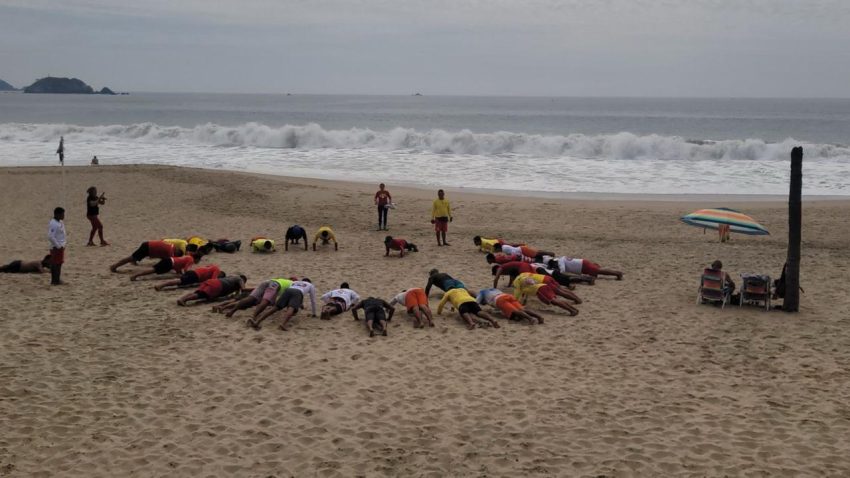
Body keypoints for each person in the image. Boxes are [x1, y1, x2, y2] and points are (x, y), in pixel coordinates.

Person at [247, 279, 318, 330]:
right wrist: (314, 313)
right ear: (309, 282)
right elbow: (313, 300)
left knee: (275, 308)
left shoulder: (295, 282)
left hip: (288, 291)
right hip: (298, 293)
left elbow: (290, 292)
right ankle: (282, 324)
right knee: (291, 308)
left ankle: (258, 321)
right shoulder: (310, 285)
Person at [217, 277, 292, 319]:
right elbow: (289, 297)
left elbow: (274, 295)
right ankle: (253, 316)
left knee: (250, 298)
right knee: (265, 301)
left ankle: (232, 311)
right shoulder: (294, 284)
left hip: (267, 281)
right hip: (274, 285)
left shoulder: (284, 280)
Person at [513, 274, 580, 316]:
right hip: (543, 286)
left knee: (555, 301)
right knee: (556, 299)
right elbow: (524, 293)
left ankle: (572, 310)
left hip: (540, 289)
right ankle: (574, 309)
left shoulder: (517, 283)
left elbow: (517, 296)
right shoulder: (522, 276)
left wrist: (517, 303)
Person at [476, 287, 544, 324]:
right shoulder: (493, 289)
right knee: (522, 309)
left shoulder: (481, 292)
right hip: (508, 296)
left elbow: (476, 302)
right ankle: (539, 317)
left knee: (514, 311)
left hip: (499, 300)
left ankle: (530, 319)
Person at [110, 240, 185, 272]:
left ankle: (134, 261)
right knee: (131, 258)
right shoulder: (171, 251)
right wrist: (178, 270)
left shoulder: (172, 246)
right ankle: (114, 266)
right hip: (148, 248)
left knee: (135, 257)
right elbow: (172, 262)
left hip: (148, 244)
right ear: (177, 253)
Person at [177, 274, 247, 306]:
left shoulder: (231, 277)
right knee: (200, 295)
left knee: (197, 292)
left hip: (213, 281)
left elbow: (237, 293)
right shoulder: (239, 279)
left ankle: (182, 298)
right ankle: (184, 300)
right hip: (218, 285)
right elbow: (243, 289)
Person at [129, 253, 200, 281]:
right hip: (169, 263)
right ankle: (135, 275)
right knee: (153, 270)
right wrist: (187, 276)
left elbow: (178, 266)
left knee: (153, 269)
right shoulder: (191, 260)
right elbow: (186, 270)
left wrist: (180, 273)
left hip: (169, 260)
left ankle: (136, 275)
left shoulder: (187, 257)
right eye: (199, 260)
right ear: (197, 259)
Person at [547, 256, 623, 280]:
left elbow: (562, 270)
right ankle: (617, 273)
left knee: (599, 271)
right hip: (582, 265)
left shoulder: (560, 261)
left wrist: (556, 272)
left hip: (583, 266)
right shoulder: (561, 258)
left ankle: (617, 274)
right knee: (597, 271)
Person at [153, 264, 223, 291]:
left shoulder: (212, 266)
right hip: (195, 275)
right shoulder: (217, 270)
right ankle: (161, 285)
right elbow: (213, 280)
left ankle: (162, 285)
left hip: (193, 272)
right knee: (179, 281)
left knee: (180, 282)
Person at [48, 207, 67, 285]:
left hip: (61, 246)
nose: (63, 216)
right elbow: (50, 236)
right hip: (56, 247)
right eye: (62, 214)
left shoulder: (60, 222)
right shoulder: (53, 224)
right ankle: (54, 280)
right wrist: (58, 246)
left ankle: (57, 279)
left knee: (59, 263)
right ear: (57, 214)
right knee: (55, 264)